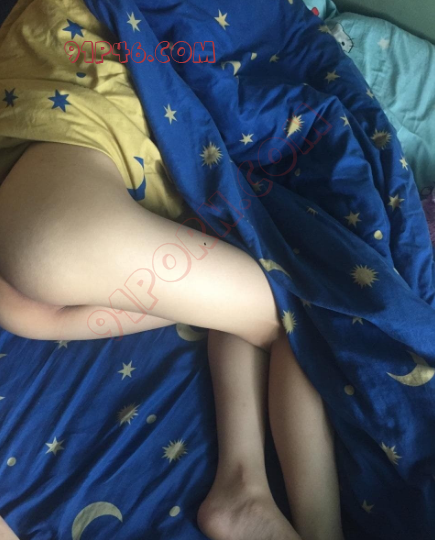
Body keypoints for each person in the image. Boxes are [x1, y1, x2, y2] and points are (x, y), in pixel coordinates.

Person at [0, 1, 344, 538]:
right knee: (295, 310)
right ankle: (302, 519)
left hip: (41, 226)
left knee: (248, 295)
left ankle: (245, 489)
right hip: (60, 220)